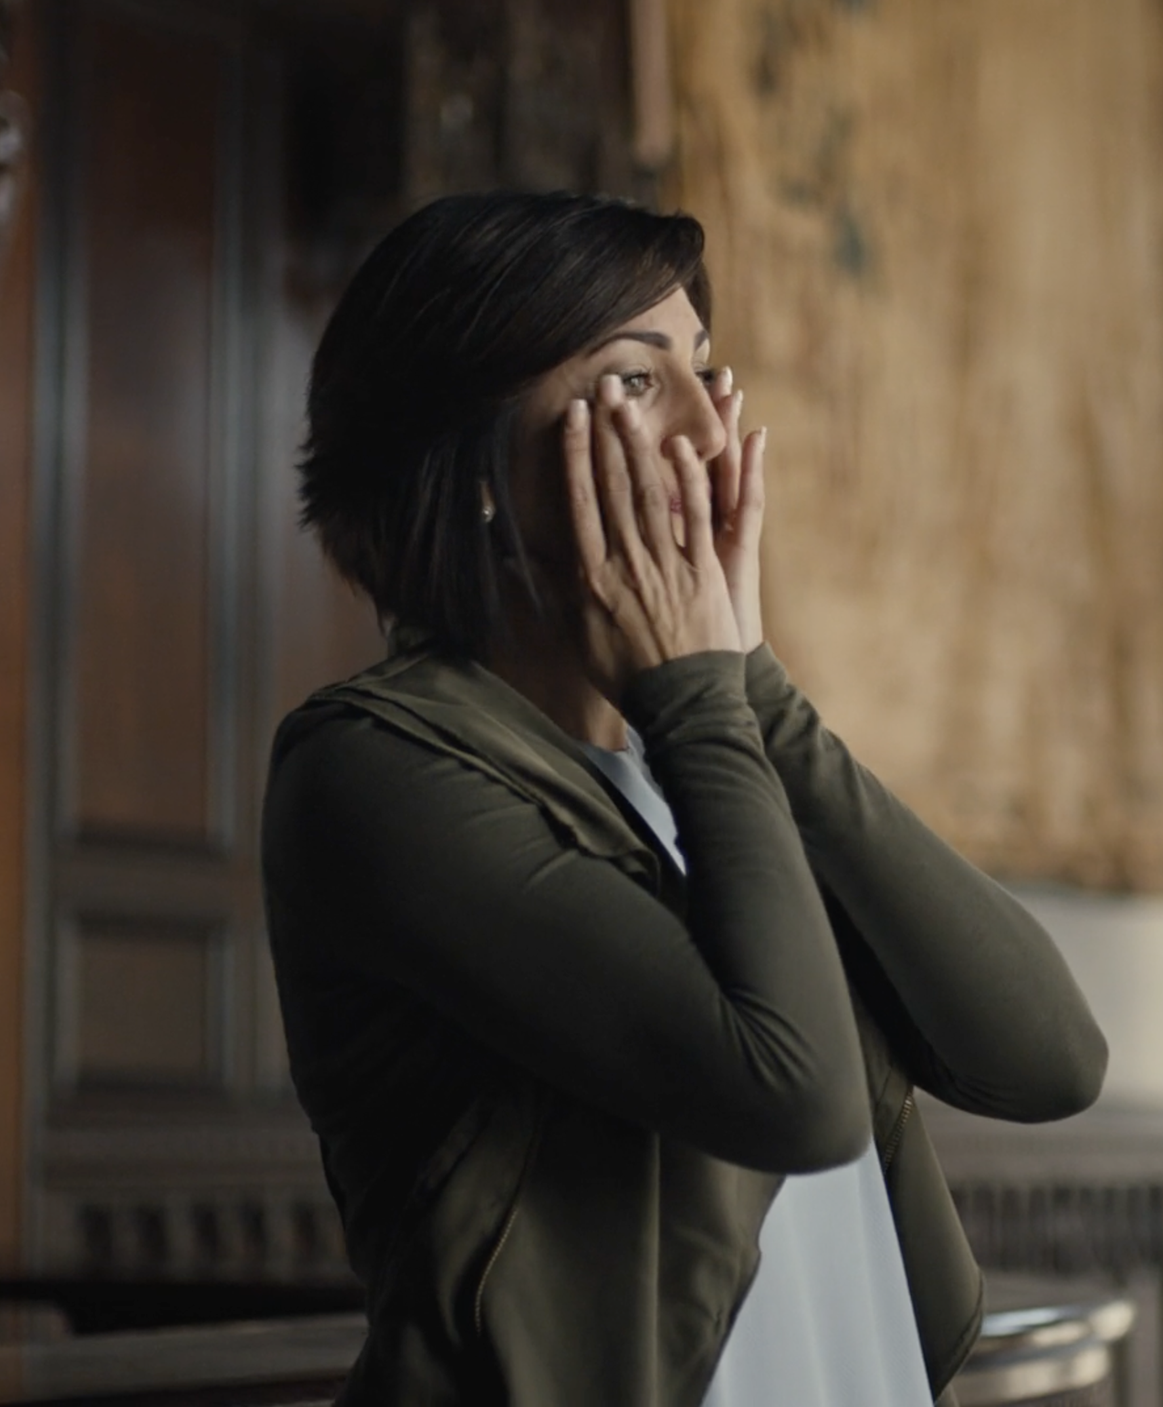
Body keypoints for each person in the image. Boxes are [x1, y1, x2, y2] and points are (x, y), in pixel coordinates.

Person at [262, 190, 1108, 1407]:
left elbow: (1048, 1059)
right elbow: (795, 1093)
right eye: (635, 381)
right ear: (477, 468)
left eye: (708, 372)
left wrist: (748, 682)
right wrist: (703, 694)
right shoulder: (370, 769)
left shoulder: (710, 755)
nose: (711, 428)